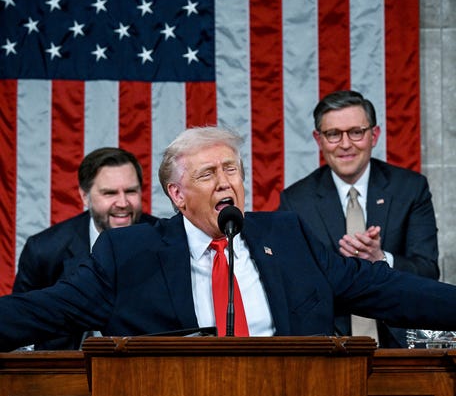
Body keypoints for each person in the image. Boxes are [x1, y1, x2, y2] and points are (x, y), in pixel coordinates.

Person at [0, 126, 455, 353]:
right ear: (177, 195)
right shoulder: (130, 253)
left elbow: (379, 287)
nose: (225, 184)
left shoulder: (288, 235)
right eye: (207, 175)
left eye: (231, 170)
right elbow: (45, 310)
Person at [279, 90, 439, 347]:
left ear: (374, 135)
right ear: (318, 139)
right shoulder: (296, 201)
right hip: (329, 346)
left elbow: (428, 271)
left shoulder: (410, 189)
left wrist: (381, 260)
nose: (345, 144)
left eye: (356, 132)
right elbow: (291, 286)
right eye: (333, 134)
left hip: (401, 346)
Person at [13, 147, 159, 350]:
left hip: (144, 368)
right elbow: (22, 323)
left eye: (131, 191)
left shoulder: (165, 241)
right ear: (85, 196)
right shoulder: (44, 250)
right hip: (64, 371)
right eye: (109, 193)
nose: (123, 203)